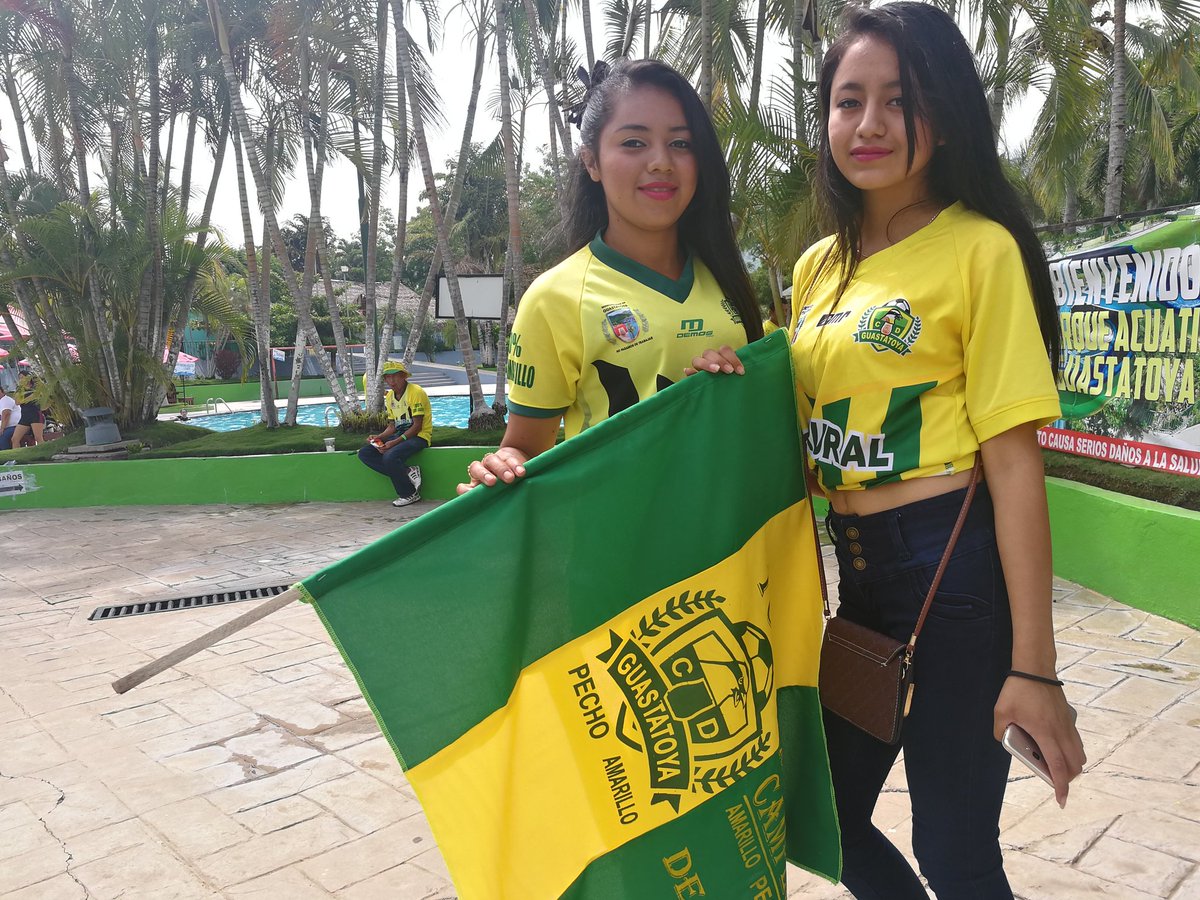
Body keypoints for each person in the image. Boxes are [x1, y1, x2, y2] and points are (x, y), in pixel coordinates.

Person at [778, 5, 1085, 897]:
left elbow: (1017, 465)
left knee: (956, 850)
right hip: (861, 581)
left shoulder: (979, 250)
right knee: (823, 820)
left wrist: (1035, 667)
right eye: (847, 100)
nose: (868, 124)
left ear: (942, 117)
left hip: (951, 578)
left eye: (897, 100)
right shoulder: (816, 271)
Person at [459, 59, 762, 491]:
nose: (661, 162)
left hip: (736, 541)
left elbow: (762, 425)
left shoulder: (727, 278)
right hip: (620, 547)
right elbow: (525, 449)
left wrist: (735, 390)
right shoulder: (554, 298)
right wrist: (501, 467)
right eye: (635, 142)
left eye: (681, 144)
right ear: (592, 163)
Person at [359, 359, 431, 507]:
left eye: (395, 376)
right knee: (365, 453)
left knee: (389, 456)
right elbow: (392, 426)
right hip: (399, 436)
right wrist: (379, 438)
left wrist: (393, 443)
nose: (391, 380)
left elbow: (417, 426)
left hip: (418, 436)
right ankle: (407, 471)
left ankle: (409, 494)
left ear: (403, 376)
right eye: (388, 377)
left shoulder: (415, 392)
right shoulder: (390, 396)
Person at [10, 370, 44, 448]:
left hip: (35, 414)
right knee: (14, 439)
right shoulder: (20, 389)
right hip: (25, 416)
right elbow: (17, 402)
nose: (21, 379)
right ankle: (16, 458)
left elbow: (40, 397)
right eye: (20, 378)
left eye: (23, 377)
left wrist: (26, 400)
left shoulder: (36, 387)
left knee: (38, 438)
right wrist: (30, 398)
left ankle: (44, 455)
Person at [0, 384, 17, 451]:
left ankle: (8, 458)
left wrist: (2, 429)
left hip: (15, 426)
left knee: (2, 436)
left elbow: (6, 414)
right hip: (8, 426)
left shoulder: (6, 400)